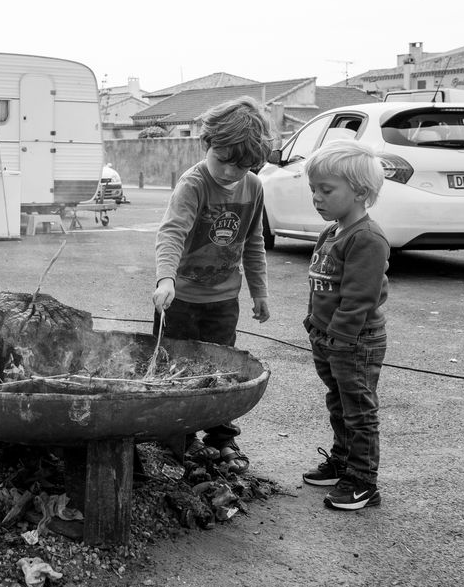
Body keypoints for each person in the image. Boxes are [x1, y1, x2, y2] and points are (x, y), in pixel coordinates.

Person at [152, 97, 273, 450]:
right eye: (222, 160)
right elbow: (172, 232)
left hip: (223, 300)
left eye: (242, 166)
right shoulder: (193, 184)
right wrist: (166, 279)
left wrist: (260, 292)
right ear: (207, 144)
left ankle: (221, 437)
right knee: (173, 369)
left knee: (220, 369)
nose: (230, 173)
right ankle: (176, 439)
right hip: (180, 300)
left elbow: (253, 241)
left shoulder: (254, 188)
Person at [298, 139, 391, 511]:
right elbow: (320, 283)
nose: (316, 197)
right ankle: (342, 461)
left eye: (326, 190)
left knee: (359, 409)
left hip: (354, 341)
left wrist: (339, 336)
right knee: (338, 402)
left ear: (360, 192)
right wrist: (313, 322)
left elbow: (359, 298)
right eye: (313, 189)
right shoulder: (331, 232)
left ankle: (363, 481)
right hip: (328, 337)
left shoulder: (367, 238)